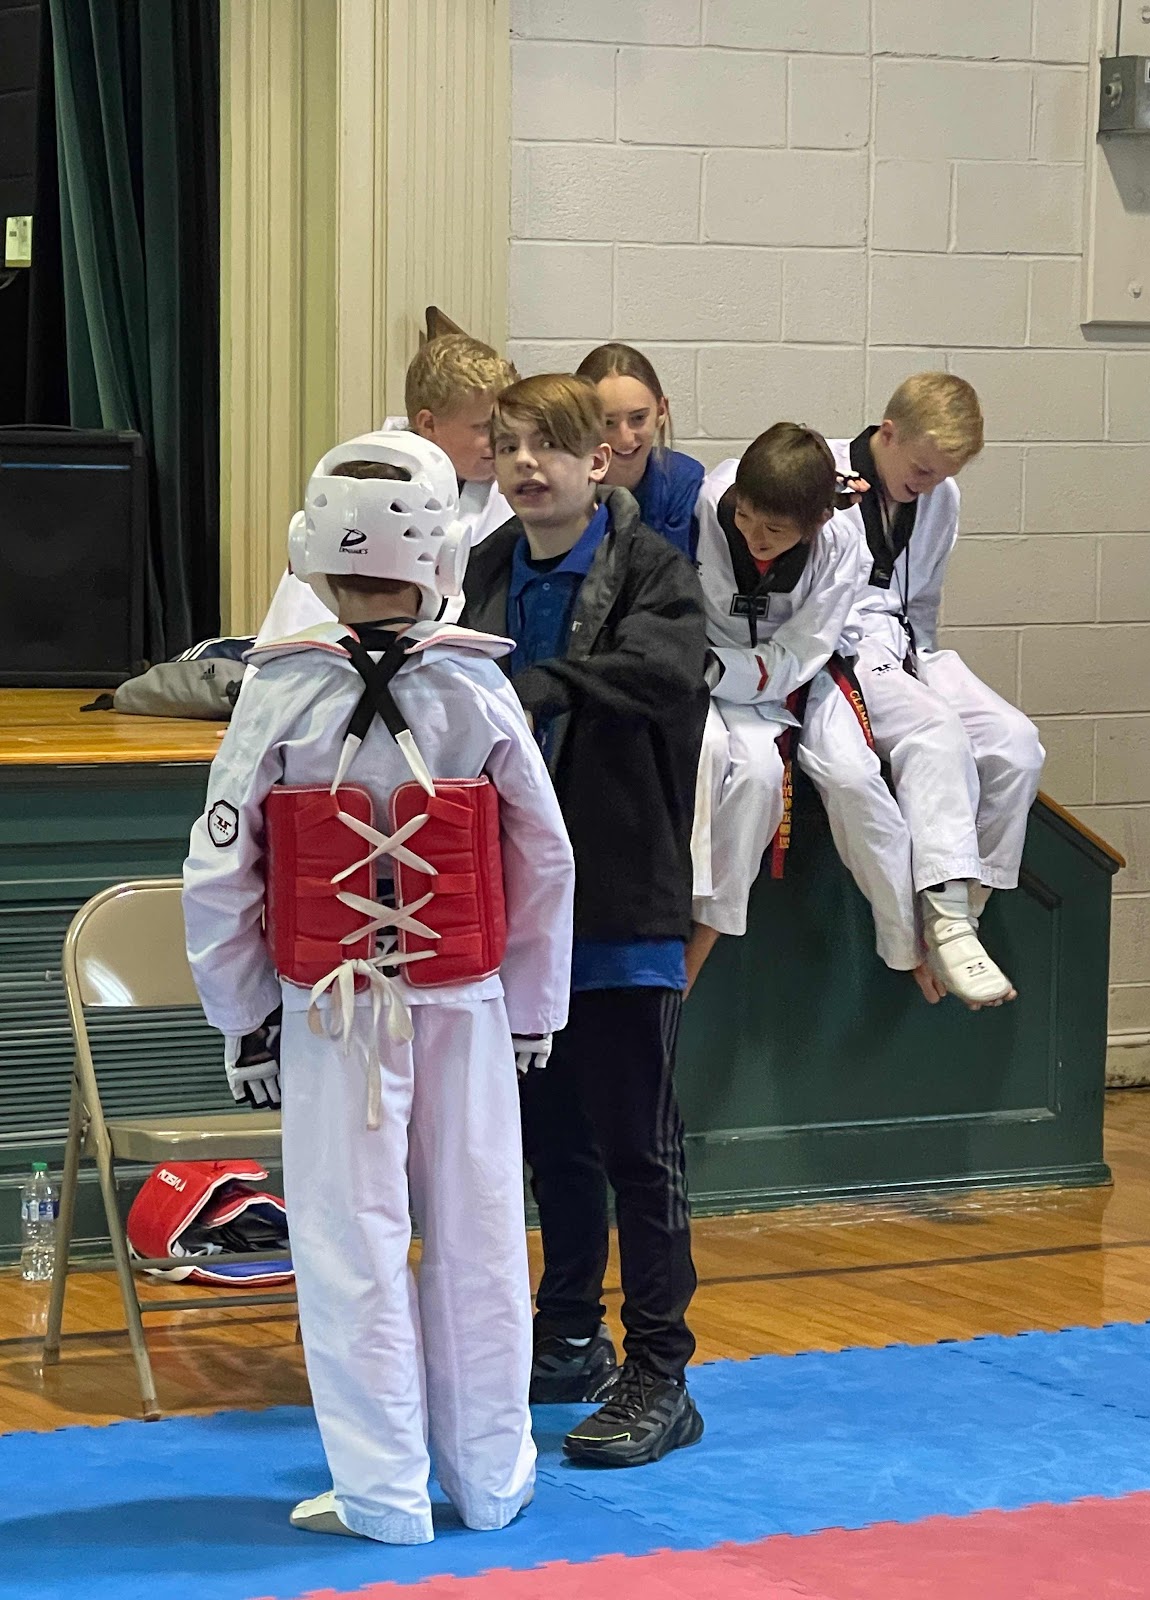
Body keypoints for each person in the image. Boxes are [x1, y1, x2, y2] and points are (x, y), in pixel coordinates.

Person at [183, 430, 574, 1544]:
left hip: (331, 1009)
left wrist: (244, 1019)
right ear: (443, 555)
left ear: (310, 549)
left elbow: (221, 867)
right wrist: (535, 1007)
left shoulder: (280, 691)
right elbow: (544, 853)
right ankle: (493, 1481)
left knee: (350, 1248)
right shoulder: (477, 685)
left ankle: (385, 1497)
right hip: (466, 1000)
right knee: (480, 1233)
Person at [461, 373, 709, 1468]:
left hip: (620, 894)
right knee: (550, 1143)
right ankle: (567, 1337)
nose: (528, 465)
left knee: (638, 1149)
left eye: (551, 446)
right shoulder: (482, 568)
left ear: (598, 461)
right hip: (512, 909)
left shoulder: (653, 569)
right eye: (510, 444)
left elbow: (665, 676)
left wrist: (541, 687)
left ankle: (661, 1371)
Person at [823, 373, 1045, 1008]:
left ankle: (966, 911)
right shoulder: (825, 475)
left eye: (943, 474)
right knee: (935, 731)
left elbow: (922, 599)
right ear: (887, 433)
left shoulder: (941, 495)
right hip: (842, 648)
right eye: (921, 469)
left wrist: (924, 669)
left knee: (1017, 744)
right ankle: (946, 921)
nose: (927, 484)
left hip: (908, 646)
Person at [685, 424, 869, 990]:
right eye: (746, 518)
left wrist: (723, 671)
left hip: (762, 682)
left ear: (817, 522)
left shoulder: (842, 543)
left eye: (775, 530)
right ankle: (668, 923)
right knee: (703, 753)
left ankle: (698, 947)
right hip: (689, 668)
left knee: (761, 777)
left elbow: (801, 651)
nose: (755, 538)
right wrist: (692, 664)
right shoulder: (707, 503)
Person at [255, 334, 517, 643]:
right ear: (428, 424)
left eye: (503, 426)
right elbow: (301, 628)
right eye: (483, 427)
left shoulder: (510, 494)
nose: (499, 440)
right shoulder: (355, 489)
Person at [575, 343, 704, 559]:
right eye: (608, 422)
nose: (625, 438)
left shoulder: (684, 483)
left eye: (638, 418)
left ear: (661, 411)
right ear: (581, 420)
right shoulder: (564, 488)